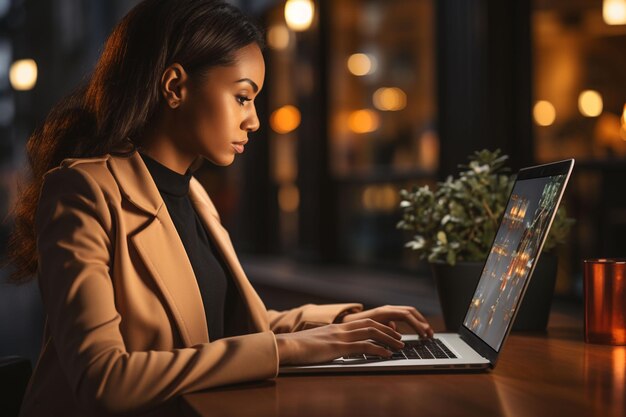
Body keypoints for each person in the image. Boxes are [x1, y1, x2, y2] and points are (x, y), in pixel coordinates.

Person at [7, 1, 433, 415]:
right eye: (243, 97)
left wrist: (345, 323)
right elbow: (104, 380)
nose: (254, 121)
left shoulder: (194, 195)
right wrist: (296, 347)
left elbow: (239, 325)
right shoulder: (82, 191)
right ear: (175, 86)